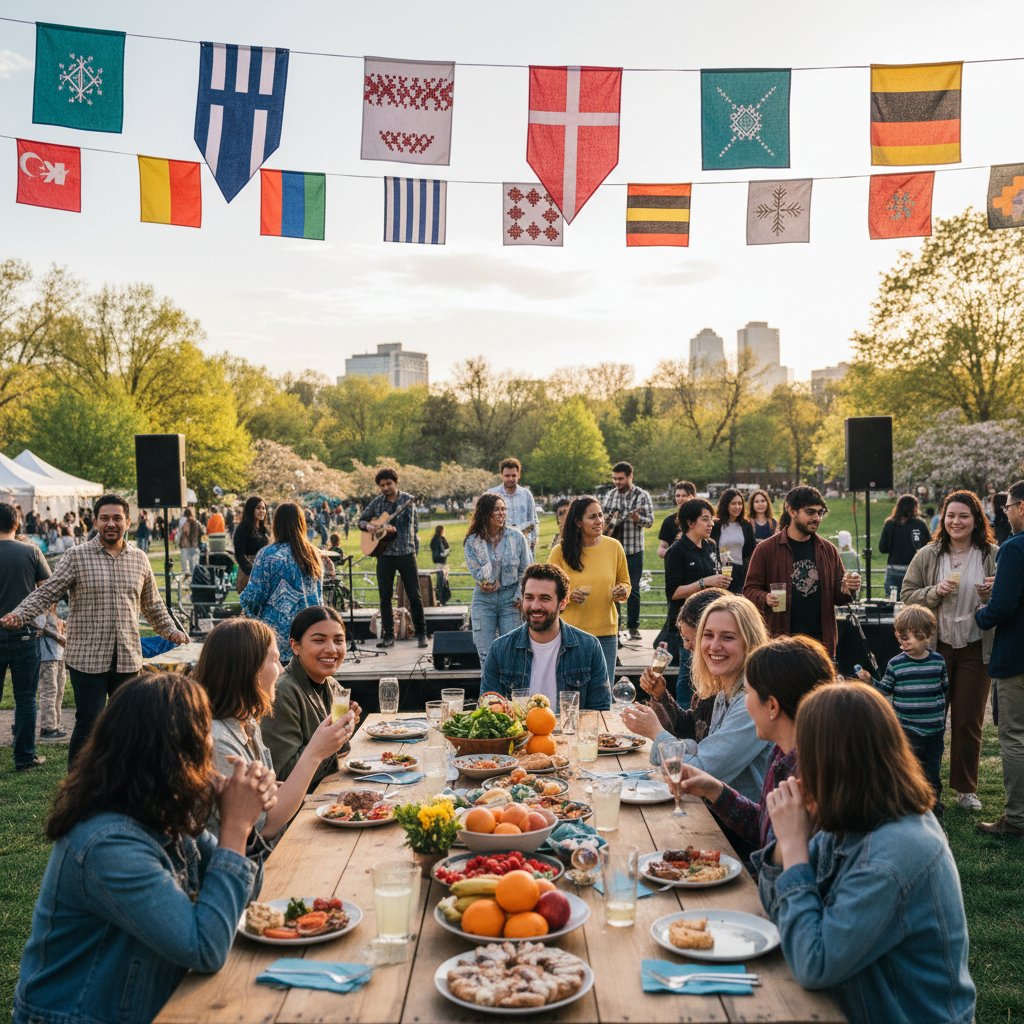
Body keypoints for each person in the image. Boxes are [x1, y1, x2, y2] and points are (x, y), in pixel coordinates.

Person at [12, 672, 275, 1024]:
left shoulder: (163, 812)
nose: (210, 751)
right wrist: (236, 826)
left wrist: (244, 830)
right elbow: (206, 946)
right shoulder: (108, 843)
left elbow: (245, 898)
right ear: (177, 754)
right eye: (202, 740)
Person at [755, 683, 975, 1024]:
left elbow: (814, 963)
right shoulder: (849, 817)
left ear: (834, 764)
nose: (799, 771)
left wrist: (796, 848)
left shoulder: (894, 855)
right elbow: (778, 910)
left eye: (806, 757)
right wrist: (786, 847)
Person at [2, 494, 188, 767]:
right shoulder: (75, 556)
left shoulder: (139, 559)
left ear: (128, 521)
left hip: (127, 658)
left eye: (116, 518)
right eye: (104, 518)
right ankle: (77, 786)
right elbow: (47, 593)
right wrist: (20, 614)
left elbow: (153, 604)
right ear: (96, 521)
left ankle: (122, 781)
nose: (110, 523)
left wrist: (170, 630)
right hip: (87, 659)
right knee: (89, 724)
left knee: (127, 724)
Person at [194, 617, 358, 867]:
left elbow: (271, 794)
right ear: (248, 669)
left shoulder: (246, 723)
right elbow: (266, 825)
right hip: (247, 869)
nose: (281, 670)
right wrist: (316, 752)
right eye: (273, 660)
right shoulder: (217, 741)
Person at [674, 635, 834, 863]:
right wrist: (716, 790)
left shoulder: (814, 778)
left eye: (748, 693)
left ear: (772, 706)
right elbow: (766, 830)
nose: (744, 703)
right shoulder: (782, 753)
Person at [622, 594, 772, 804]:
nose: (714, 646)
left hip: (738, 831)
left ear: (750, 642)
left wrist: (656, 733)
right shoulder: (723, 693)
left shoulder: (752, 702)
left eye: (728, 637)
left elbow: (699, 775)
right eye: (708, 635)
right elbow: (702, 748)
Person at [902, 489, 998, 812]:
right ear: (943, 519)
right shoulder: (928, 555)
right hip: (935, 649)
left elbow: (1008, 598)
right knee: (930, 720)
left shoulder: (991, 554)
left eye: (964, 516)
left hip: (974, 646)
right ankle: (923, 786)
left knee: (968, 720)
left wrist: (991, 595)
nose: (956, 522)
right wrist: (934, 592)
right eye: (951, 516)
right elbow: (907, 594)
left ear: (976, 521)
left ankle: (965, 789)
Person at [743, 485, 860, 658]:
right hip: (780, 645)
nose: (816, 518)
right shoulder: (766, 549)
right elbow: (749, 590)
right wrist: (765, 598)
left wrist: (848, 588)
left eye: (820, 513)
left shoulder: (828, 550)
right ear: (791, 511)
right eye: (810, 512)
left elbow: (839, 596)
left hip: (820, 646)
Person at [856, 605, 948, 817]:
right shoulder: (896, 664)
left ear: (926, 635)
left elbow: (944, 688)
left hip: (934, 731)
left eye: (908, 638)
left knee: (932, 771)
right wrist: (870, 680)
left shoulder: (937, 662)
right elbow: (886, 689)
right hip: (907, 730)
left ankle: (933, 803)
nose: (903, 643)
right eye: (900, 639)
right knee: (909, 768)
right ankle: (908, 801)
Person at [480, 563, 610, 710]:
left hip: (569, 733)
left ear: (563, 602)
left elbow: (600, 712)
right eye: (529, 597)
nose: (535, 606)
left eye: (544, 598)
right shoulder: (500, 649)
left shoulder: (589, 647)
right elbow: (488, 710)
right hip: (521, 733)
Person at [260, 606, 360, 792]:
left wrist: (346, 728)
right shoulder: (281, 694)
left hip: (328, 792)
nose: (331, 649)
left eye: (339, 640)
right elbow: (282, 777)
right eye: (319, 640)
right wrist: (326, 746)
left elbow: (341, 752)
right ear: (296, 646)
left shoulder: (332, 686)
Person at [975, 478, 1024, 837]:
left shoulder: (1014, 548)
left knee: (1015, 737)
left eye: (1008, 508)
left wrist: (981, 612)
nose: (1005, 515)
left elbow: (1003, 608)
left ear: (1021, 507)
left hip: (1017, 656)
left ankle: (1018, 818)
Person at [548, 495, 630, 685]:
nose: (599, 521)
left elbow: (625, 582)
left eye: (601, 515)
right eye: (592, 517)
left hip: (606, 632)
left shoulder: (614, 547)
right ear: (578, 521)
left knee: (603, 690)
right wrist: (568, 595)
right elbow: (549, 592)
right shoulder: (559, 552)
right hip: (571, 633)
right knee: (570, 691)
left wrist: (623, 591)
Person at [240, 502, 324, 664]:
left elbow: (253, 596)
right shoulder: (312, 553)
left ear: (276, 524)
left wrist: (246, 612)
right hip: (308, 633)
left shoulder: (267, 554)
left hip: (275, 638)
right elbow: (319, 596)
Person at [0, 502, 51, 771]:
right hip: (25, 632)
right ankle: (24, 757)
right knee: (26, 698)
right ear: (17, 524)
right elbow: (48, 590)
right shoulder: (31, 551)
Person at [639, 587, 725, 745]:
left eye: (690, 639)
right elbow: (690, 730)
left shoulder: (742, 698)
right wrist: (660, 695)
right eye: (684, 639)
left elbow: (706, 762)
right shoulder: (711, 687)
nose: (686, 647)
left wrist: (655, 732)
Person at [358, 468, 427, 649]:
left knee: (414, 595)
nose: (386, 487)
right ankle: (388, 635)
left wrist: (388, 527)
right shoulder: (377, 503)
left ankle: (421, 633)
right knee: (384, 597)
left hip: (405, 552)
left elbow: (406, 526)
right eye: (382, 485)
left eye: (389, 484)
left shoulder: (407, 501)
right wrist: (371, 527)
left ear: (396, 483)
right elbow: (361, 521)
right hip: (385, 555)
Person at [660, 497, 729, 665]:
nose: (711, 523)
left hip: (711, 620)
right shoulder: (676, 551)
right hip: (688, 624)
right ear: (690, 523)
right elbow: (673, 593)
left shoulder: (710, 545)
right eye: (705, 519)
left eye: (711, 519)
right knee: (688, 673)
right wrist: (704, 582)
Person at [464, 494, 531, 669]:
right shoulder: (472, 541)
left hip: (511, 600)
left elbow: (526, 569)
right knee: (486, 658)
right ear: (485, 513)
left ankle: (511, 696)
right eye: (496, 509)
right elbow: (476, 571)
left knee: (512, 654)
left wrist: (520, 595)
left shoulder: (516, 537)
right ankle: (489, 696)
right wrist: (484, 581)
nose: (501, 513)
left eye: (503, 509)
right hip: (483, 601)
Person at [601, 461, 654, 640]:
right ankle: (614, 626)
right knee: (612, 588)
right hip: (611, 550)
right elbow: (602, 519)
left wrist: (638, 518)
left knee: (633, 589)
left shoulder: (642, 495)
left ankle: (633, 627)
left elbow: (650, 521)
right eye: (614, 478)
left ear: (630, 477)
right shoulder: (610, 495)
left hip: (633, 549)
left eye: (620, 478)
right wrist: (610, 518)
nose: (617, 482)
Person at [878, 494, 930, 598]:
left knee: (892, 603)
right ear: (915, 507)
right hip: (914, 569)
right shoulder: (920, 524)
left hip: (893, 569)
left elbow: (882, 548)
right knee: (913, 603)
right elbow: (929, 545)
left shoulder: (889, 523)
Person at [487, 457, 540, 555]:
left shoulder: (526, 494)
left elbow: (534, 521)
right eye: (507, 475)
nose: (510, 479)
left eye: (514, 475)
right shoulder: (491, 494)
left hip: (524, 547)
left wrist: (531, 544)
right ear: (501, 475)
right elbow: (484, 521)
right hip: (499, 548)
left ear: (519, 475)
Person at [711, 487, 756, 594]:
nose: (737, 507)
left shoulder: (746, 525)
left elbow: (751, 550)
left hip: (741, 573)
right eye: (733, 503)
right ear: (726, 505)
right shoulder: (715, 525)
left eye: (740, 503)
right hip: (721, 573)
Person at [35, 604, 67, 740]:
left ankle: (56, 723)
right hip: (47, 657)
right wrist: (58, 636)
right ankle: (47, 727)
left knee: (59, 692)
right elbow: (40, 627)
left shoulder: (56, 612)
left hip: (59, 655)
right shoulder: (42, 611)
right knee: (49, 691)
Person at [233, 496, 271, 592]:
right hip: (249, 572)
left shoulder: (264, 530)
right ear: (250, 510)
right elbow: (239, 555)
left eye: (263, 508)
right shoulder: (242, 529)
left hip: (265, 571)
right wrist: (253, 572)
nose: (262, 511)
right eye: (258, 508)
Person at [657, 480, 696, 558]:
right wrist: (676, 556)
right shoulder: (668, 521)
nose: (680, 499)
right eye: (677, 496)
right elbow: (661, 549)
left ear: (692, 497)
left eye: (684, 496)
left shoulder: (700, 520)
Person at [430, 524, 451, 605]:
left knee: (442, 581)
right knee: (441, 582)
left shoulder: (439, 539)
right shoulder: (437, 539)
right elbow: (439, 552)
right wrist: (444, 554)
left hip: (441, 562)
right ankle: (440, 600)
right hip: (440, 562)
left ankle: (441, 600)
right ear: (441, 530)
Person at [178, 507, 202, 576]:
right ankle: (193, 575)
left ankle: (186, 573)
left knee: (185, 561)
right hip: (194, 544)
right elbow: (200, 533)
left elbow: (186, 532)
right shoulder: (196, 522)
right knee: (193, 562)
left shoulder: (185, 523)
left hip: (186, 544)